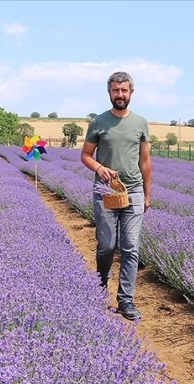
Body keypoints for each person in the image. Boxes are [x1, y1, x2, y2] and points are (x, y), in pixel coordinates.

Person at [80, 71, 152, 321]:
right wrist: (99, 168)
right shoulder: (98, 122)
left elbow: (145, 161)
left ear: (132, 91)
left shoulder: (141, 122)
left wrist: (146, 194)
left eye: (124, 90)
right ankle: (100, 285)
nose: (120, 95)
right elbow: (86, 155)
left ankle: (126, 301)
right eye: (115, 90)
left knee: (131, 248)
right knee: (107, 245)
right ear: (109, 92)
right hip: (106, 192)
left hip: (133, 192)